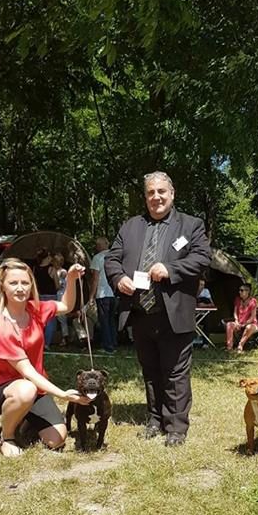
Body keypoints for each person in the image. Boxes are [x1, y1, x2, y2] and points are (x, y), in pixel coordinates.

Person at [104, 170, 211, 446]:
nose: (156, 197)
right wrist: (118, 278)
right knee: (150, 371)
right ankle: (154, 419)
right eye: (150, 192)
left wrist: (171, 268)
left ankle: (176, 427)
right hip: (140, 312)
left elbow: (202, 257)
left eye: (161, 191)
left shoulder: (191, 225)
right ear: (145, 197)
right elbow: (112, 259)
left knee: (175, 373)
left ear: (172, 194)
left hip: (174, 313)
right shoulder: (130, 227)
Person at [0, 258, 88, 457]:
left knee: (57, 440)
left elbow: (66, 305)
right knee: (26, 390)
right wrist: (63, 395)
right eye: (13, 283)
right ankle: (7, 436)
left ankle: (24, 418)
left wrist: (71, 279)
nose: (20, 288)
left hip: (36, 388)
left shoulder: (35, 309)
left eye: (25, 282)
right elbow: (28, 373)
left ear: (31, 285)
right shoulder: (1, 327)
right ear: (3, 286)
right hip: (6, 389)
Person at [89, 236, 117, 354]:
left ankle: (108, 346)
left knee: (104, 320)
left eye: (98, 245)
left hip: (102, 293)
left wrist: (91, 296)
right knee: (111, 319)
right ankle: (113, 343)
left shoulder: (97, 258)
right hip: (114, 293)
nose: (97, 247)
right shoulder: (114, 256)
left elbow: (95, 279)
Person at [34, 248, 59, 348]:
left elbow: (35, 284)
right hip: (51, 296)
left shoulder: (35, 268)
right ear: (48, 257)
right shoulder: (52, 269)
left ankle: (38, 341)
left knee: (40, 320)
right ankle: (46, 343)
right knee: (50, 321)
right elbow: (57, 285)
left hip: (40, 296)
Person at [225, 282, 258, 353]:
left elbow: (253, 317)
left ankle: (240, 346)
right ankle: (229, 347)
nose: (239, 292)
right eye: (239, 290)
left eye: (242, 290)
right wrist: (236, 321)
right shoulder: (237, 299)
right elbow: (235, 313)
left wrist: (244, 324)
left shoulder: (253, 301)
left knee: (249, 327)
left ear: (248, 292)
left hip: (252, 323)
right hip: (239, 322)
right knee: (229, 324)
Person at [52, 251, 69, 347]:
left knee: (61, 317)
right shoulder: (53, 270)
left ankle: (65, 337)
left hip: (60, 296)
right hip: (56, 295)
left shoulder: (63, 272)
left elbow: (59, 286)